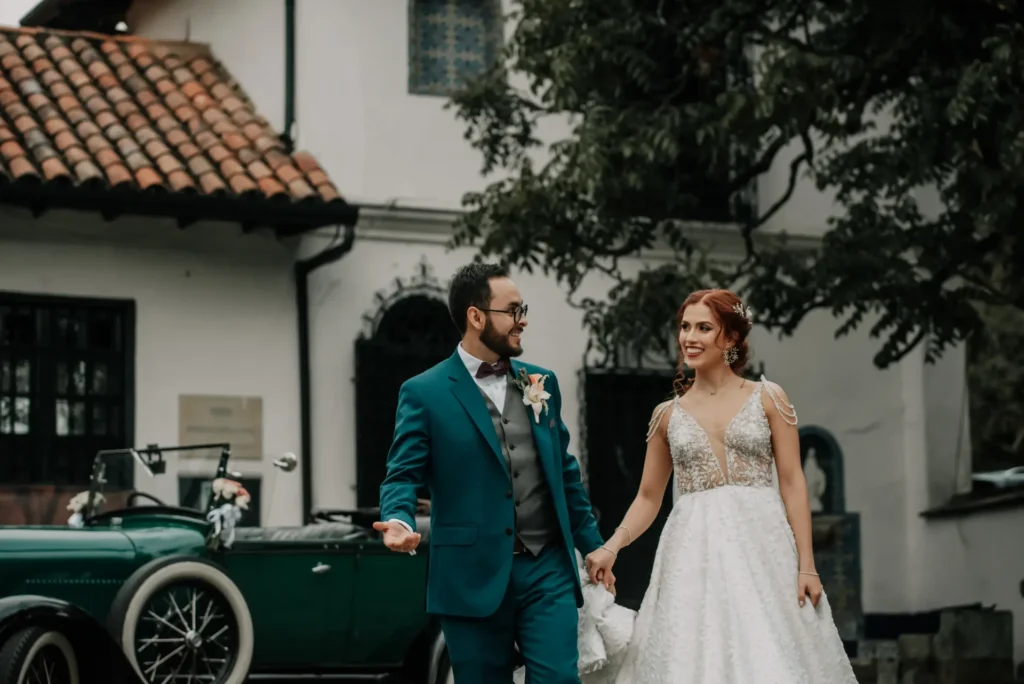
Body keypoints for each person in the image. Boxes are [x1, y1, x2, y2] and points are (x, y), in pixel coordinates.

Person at [583, 288, 858, 683]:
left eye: (703, 328)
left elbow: (793, 483)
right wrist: (612, 547)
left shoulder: (769, 398)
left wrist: (808, 566)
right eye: (685, 327)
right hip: (692, 551)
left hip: (763, 548)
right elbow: (648, 497)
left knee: (770, 650)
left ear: (730, 337)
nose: (689, 337)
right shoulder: (666, 415)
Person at [374, 262, 613, 684]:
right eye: (513, 311)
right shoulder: (424, 392)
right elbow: (402, 473)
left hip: (547, 568)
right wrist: (399, 520)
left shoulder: (541, 382)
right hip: (470, 572)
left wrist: (593, 545)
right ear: (476, 316)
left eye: (524, 310)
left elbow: (564, 473)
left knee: (559, 678)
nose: (523, 321)